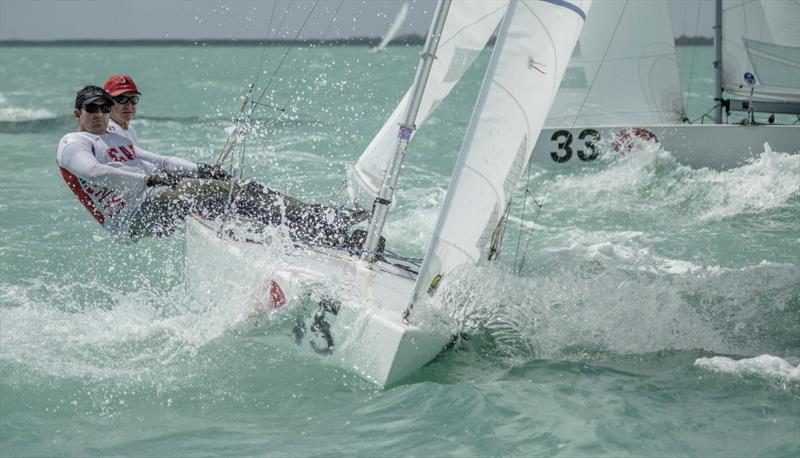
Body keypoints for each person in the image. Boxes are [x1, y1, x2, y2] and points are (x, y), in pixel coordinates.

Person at [56, 85, 368, 245]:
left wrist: (200, 168)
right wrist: (147, 182)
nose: (99, 113)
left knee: (238, 191)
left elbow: (158, 160)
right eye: (91, 108)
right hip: (130, 217)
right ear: (77, 113)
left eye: (104, 107)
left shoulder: (114, 135)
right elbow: (95, 173)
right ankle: (318, 224)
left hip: (150, 200)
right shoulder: (74, 143)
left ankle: (317, 227)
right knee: (216, 195)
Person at [103, 74, 140, 145]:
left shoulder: (129, 129)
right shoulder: (108, 130)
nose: (129, 105)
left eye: (133, 99)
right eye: (121, 99)